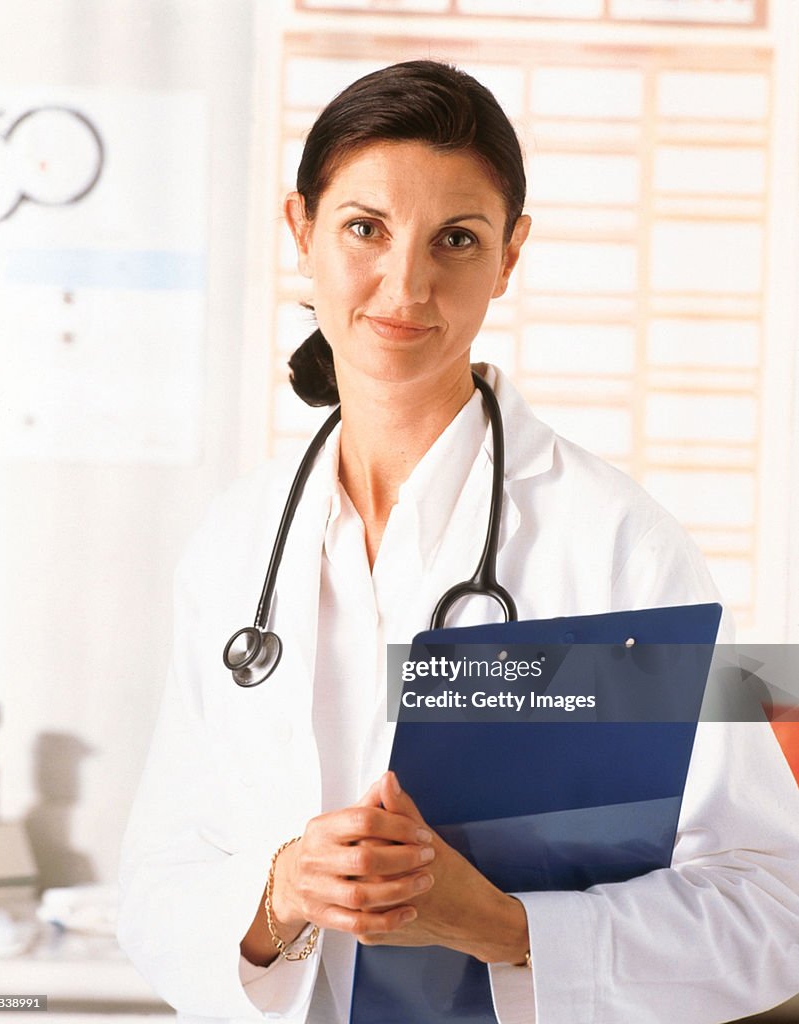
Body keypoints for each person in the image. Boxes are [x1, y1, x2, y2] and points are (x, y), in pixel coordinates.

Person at [117, 61, 799, 1024]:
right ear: (300, 229)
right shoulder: (235, 546)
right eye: (364, 228)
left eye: (457, 239)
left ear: (509, 258)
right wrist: (279, 894)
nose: (407, 283)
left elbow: (776, 910)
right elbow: (154, 883)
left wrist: (505, 926)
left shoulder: (618, 544)